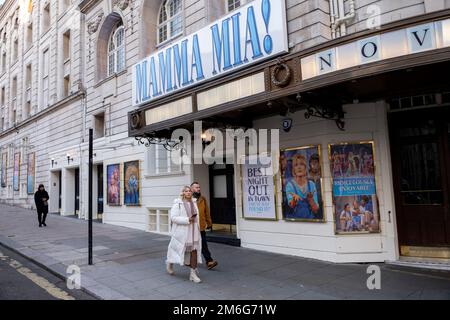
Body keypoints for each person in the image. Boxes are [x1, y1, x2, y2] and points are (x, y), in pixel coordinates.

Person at [166, 186, 203, 283]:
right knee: (177, 249)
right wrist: (187, 220)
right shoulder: (178, 203)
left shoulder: (194, 202)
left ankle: (193, 274)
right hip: (182, 231)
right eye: (186, 191)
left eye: (190, 191)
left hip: (194, 230)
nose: (188, 192)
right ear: (183, 193)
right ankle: (170, 262)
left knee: (194, 251)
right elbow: (173, 218)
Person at [190, 182, 218, 270]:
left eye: (199, 187)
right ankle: (179, 259)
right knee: (189, 245)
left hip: (201, 226)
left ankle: (209, 261)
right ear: (191, 189)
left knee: (203, 244)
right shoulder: (188, 199)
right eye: (196, 187)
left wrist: (209, 223)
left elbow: (207, 211)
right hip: (191, 227)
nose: (198, 189)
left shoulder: (203, 199)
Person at [285, 154, 319, 219]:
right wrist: (294, 199)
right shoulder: (290, 185)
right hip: (295, 222)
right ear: (293, 169)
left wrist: (311, 199)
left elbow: (315, 210)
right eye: (296, 165)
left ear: (305, 168)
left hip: (310, 221)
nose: (299, 167)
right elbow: (291, 205)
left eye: (301, 164)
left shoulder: (311, 184)